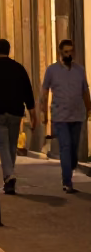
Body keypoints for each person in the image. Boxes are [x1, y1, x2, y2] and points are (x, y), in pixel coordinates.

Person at [0, 38, 37, 195]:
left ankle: (9, 176)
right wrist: (32, 112)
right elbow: (28, 91)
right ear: (9, 50)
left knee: (3, 145)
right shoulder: (19, 69)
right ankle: (9, 176)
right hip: (15, 112)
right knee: (11, 145)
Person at [41, 37, 91, 193]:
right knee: (65, 146)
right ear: (60, 53)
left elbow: (85, 91)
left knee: (73, 149)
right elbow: (44, 92)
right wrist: (44, 113)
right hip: (60, 116)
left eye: (71, 52)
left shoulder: (80, 70)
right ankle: (67, 182)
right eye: (66, 52)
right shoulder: (51, 70)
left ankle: (72, 164)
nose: (69, 55)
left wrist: (89, 109)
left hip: (77, 115)